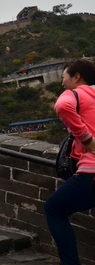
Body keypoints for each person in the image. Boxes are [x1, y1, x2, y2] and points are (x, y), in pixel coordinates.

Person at [45, 59, 95, 265]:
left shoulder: (75, 94)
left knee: (53, 209)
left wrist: (86, 138)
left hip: (91, 172)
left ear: (76, 77)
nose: (62, 82)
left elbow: (62, 106)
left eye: (64, 77)